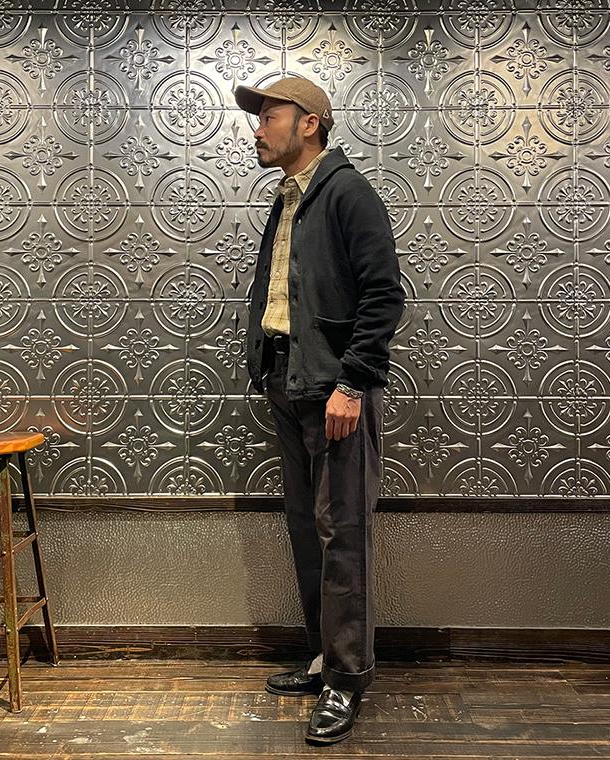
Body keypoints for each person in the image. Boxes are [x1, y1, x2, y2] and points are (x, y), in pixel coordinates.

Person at [234, 76, 404, 745]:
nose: (257, 129)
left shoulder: (347, 193)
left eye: (269, 117)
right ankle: (323, 658)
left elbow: (383, 295)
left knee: (343, 535)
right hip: (288, 380)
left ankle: (347, 677)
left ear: (309, 124)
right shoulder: (290, 197)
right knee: (308, 529)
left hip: (334, 392)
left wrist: (353, 384)